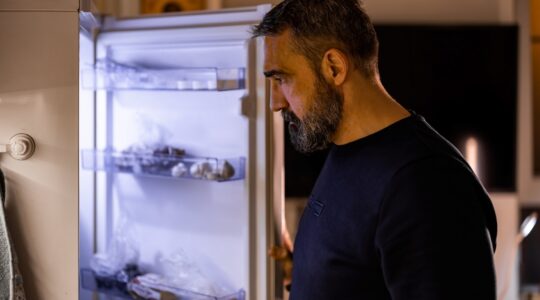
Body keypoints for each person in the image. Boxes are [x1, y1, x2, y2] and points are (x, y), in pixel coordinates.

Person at [252, 0, 498, 299]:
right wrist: (310, 274)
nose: (276, 102)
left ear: (334, 68)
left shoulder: (426, 183)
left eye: (281, 79)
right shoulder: (347, 149)